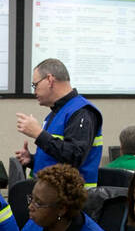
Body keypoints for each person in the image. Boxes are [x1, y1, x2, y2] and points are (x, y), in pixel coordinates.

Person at [1, 164, 119, 231]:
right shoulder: (36, 224)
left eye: (38, 203)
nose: (30, 207)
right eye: (31, 198)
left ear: (62, 209)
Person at [15, 59, 103, 189]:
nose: (34, 92)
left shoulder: (82, 112)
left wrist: (39, 134)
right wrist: (33, 160)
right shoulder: (56, 113)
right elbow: (57, 157)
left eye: (35, 85)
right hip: (49, 196)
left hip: (72, 200)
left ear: (50, 80)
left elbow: (74, 156)